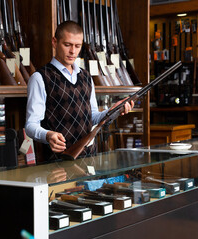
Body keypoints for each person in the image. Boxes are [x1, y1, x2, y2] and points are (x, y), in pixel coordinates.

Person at [25, 21, 133, 162]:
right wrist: (48, 135)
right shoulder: (40, 78)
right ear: (54, 42)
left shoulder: (86, 76)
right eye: (67, 45)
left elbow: (93, 116)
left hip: (89, 161)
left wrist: (113, 111)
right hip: (56, 164)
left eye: (77, 46)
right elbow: (30, 125)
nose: (73, 52)